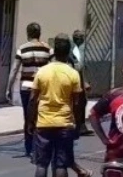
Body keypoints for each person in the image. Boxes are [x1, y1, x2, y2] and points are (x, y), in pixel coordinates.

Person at [30, 34, 91, 177]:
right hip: (64, 124)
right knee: (61, 164)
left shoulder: (42, 72)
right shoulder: (73, 74)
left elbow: (33, 99)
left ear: (54, 51)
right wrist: (76, 123)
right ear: (68, 51)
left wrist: (30, 122)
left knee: (41, 164)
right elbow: (77, 102)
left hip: (44, 123)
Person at [7, 22, 51, 158]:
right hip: (42, 88)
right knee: (40, 116)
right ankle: (40, 146)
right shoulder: (47, 49)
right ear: (39, 33)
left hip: (26, 87)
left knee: (28, 116)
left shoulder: (22, 49)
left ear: (28, 34)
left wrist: (8, 88)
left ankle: (29, 148)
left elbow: (14, 69)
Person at [68, 29, 92, 137]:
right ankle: (76, 126)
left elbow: (82, 68)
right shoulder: (72, 49)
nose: (81, 39)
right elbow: (77, 66)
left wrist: (85, 81)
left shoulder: (80, 49)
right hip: (74, 78)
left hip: (79, 78)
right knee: (77, 103)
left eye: (82, 37)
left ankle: (81, 125)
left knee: (82, 102)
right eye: (79, 37)